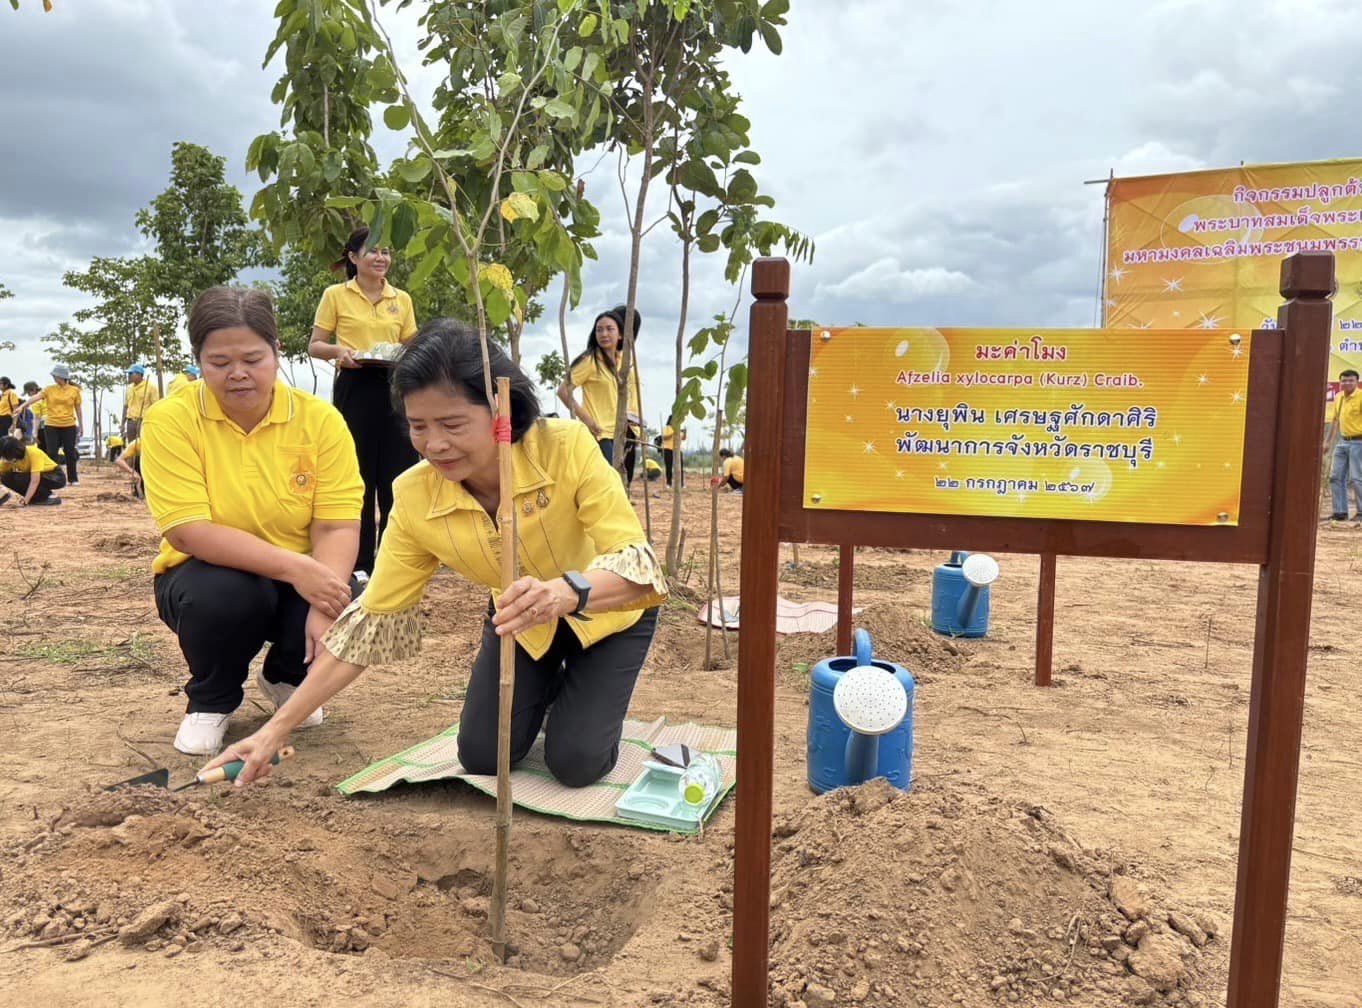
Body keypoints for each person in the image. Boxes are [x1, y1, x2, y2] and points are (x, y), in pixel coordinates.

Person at [201, 319, 668, 790]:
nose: (435, 445)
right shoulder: (415, 496)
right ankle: (545, 698)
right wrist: (274, 730)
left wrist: (564, 593)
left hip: (607, 614)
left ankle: (581, 708)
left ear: (500, 409)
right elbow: (372, 622)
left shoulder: (564, 447)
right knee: (483, 756)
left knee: (577, 762)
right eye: (418, 426)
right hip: (520, 624)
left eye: (452, 424)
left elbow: (637, 564)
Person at [140, 286, 363, 756]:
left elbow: (337, 526)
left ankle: (287, 676)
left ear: (276, 352)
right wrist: (298, 569)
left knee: (351, 594)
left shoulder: (320, 421)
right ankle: (212, 699)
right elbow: (188, 531)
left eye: (253, 359)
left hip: (295, 574)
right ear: (199, 361)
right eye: (219, 362)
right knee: (226, 594)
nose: (237, 373)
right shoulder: (171, 420)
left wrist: (326, 599)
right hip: (207, 575)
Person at [309, 226, 420, 573]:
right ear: (353, 257)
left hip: (395, 388)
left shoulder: (401, 299)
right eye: (372, 250)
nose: (381, 257)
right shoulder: (335, 295)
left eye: (386, 251)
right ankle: (357, 566)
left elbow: (412, 344)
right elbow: (315, 345)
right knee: (357, 477)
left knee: (398, 477)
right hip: (355, 386)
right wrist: (339, 352)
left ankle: (392, 564)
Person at [558, 305, 643, 484]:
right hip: (601, 433)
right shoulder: (590, 361)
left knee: (623, 484)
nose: (604, 334)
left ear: (620, 334)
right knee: (609, 482)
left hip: (625, 430)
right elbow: (563, 391)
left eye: (610, 329)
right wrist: (587, 420)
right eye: (599, 330)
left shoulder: (623, 362)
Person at [16, 365, 82, 485]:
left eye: (55, 376)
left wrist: (81, 426)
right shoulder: (49, 389)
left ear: (61, 376)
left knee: (70, 452)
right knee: (52, 453)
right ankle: (54, 477)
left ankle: (73, 479)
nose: (53, 378)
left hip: (69, 425)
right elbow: (35, 398)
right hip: (51, 425)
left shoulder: (74, 390)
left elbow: (78, 409)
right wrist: (22, 406)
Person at [1325, 368, 1362, 526]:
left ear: (1357, 382)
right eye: (1344, 380)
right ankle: (1340, 512)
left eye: (1350, 380)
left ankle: (1361, 512)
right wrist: (1328, 442)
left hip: (1359, 442)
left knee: (1357, 478)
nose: (1347, 383)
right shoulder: (1339, 397)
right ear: (1340, 382)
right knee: (1335, 477)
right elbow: (1335, 421)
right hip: (1342, 441)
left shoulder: (1360, 397)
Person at [0, 435, 66, 506]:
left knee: (20, 478)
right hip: (35, 476)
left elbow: (35, 480)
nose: (4, 458)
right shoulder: (7, 460)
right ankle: (35, 498)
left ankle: (50, 496)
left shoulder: (33, 452)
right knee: (5, 477)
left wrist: (26, 500)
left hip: (55, 476)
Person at [123, 363, 159, 441]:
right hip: (130, 422)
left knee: (144, 443)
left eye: (131, 373)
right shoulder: (129, 388)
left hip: (143, 421)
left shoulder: (150, 387)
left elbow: (156, 407)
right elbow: (126, 406)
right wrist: (122, 424)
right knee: (131, 445)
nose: (129, 376)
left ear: (139, 374)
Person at [659, 421, 685, 487]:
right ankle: (669, 483)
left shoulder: (679, 428)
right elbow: (664, 437)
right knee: (669, 467)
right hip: (667, 449)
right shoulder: (667, 428)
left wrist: (684, 432)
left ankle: (681, 483)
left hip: (678, 450)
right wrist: (674, 431)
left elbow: (683, 438)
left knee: (680, 467)